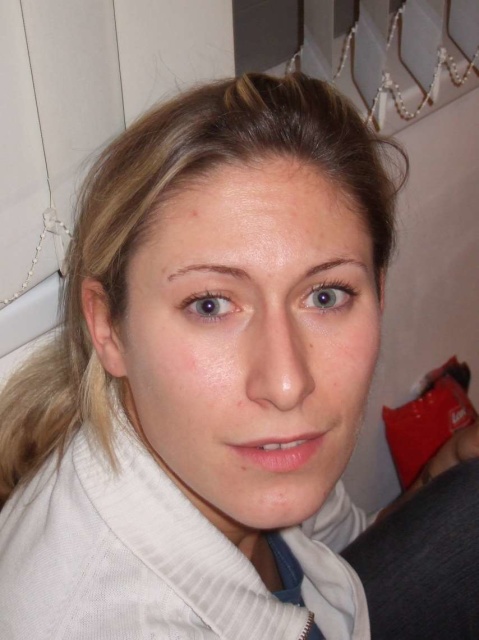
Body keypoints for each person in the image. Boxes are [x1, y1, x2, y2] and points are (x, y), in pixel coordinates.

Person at [0, 72, 477, 640]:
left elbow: (337, 558)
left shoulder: (241, 451)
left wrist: (440, 474)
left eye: (325, 296)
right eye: (210, 305)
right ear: (108, 329)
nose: (287, 384)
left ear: (378, 290)